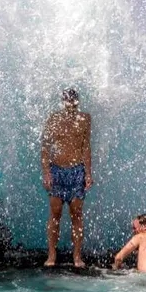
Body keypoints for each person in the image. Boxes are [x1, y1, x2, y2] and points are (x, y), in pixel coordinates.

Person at [41, 88, 93, 267]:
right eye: (68, 101)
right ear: (63, 102)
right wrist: (47, 172)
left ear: (77, 102)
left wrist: (88, 173)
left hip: (77, 171)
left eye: (74, 102)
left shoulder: (85, 119)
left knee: (76, 215)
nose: (71, 105)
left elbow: (86, 146)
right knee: (55, 214)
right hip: (57, 170)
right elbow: (45, 147)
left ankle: (77, 257)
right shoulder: (54, 118)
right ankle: (52, 256)